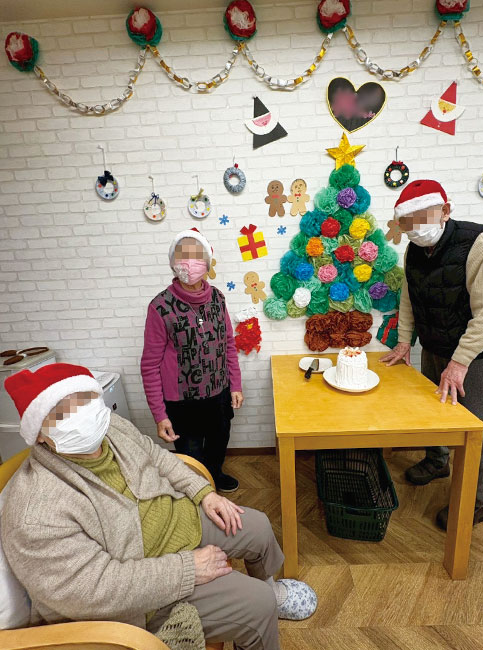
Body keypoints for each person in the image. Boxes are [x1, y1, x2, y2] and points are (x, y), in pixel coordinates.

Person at [1, 363, 317, 650]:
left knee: (258, 527)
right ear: (39, 435)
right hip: (143, 590)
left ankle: (271, 589)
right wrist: (187, 569)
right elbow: (90, 591)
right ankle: (264, 606)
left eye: (84, 401)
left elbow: (156, 456)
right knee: (257, 604)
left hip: (174, 521)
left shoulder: (111, 429)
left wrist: (204, 493)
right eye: (61, 415)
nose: (80, 416)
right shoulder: (34, 514)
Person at [381, 179, 483, 530]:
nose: (415, 228)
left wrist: (460, 362)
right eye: (408, 222)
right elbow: (408, 297)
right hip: (433, 346)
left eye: (422, 217)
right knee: (432, 413)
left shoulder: (479, 243)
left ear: (445, 210)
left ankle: (474, 503)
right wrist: (404, 342)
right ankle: (437, 460)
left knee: (478, 430)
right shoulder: (414, 250)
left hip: (476, 355)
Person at [141, 228, 242, 493]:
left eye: (196, 256)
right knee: (191, 456)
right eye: (182, 256)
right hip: (181, 403)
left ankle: (215, 475)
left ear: (207, 262)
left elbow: (228, 344)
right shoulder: (160, 307)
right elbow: (149, 366)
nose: (189, 263)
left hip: (218, 394)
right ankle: (199, 493)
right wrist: (159, 414)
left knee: (219, 442)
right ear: (172, 263)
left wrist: (235, 385)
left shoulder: (218, 298)